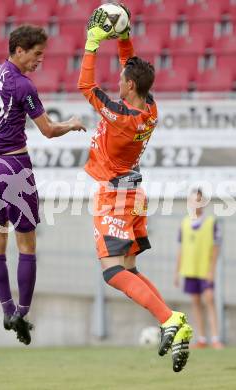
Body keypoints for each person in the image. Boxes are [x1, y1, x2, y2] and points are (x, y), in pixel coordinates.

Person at [77, 7, 192, 372]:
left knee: (112, 272)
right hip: (134, 193)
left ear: (128, 86)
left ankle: (169, 319)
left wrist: (93, 43)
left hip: (115, 195)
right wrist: (123, 36)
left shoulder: (121, 115)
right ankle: (174, 321)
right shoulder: (150, 107)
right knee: (130, 268)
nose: (119, 81)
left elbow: (86, 86)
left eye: (122, 79)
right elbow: (132, 66)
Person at [0, 25, 86, 345]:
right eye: (36, 53)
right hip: (15, 168)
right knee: (27, 245)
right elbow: (47, 131)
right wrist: (70, 124)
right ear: (19, 50)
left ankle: (5, 309)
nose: (40, 60)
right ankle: (22, 313)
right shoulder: (23, 85)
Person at [174, 188, 224, 349]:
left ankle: (216, 338)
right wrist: (177, 273)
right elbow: (181, 249)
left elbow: (216, 248)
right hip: (189, 269)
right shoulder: (184, 222)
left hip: (205, 269)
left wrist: (211, 270)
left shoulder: (211, 222)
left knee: (209, 299)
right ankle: (201, 338)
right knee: (195, 302)